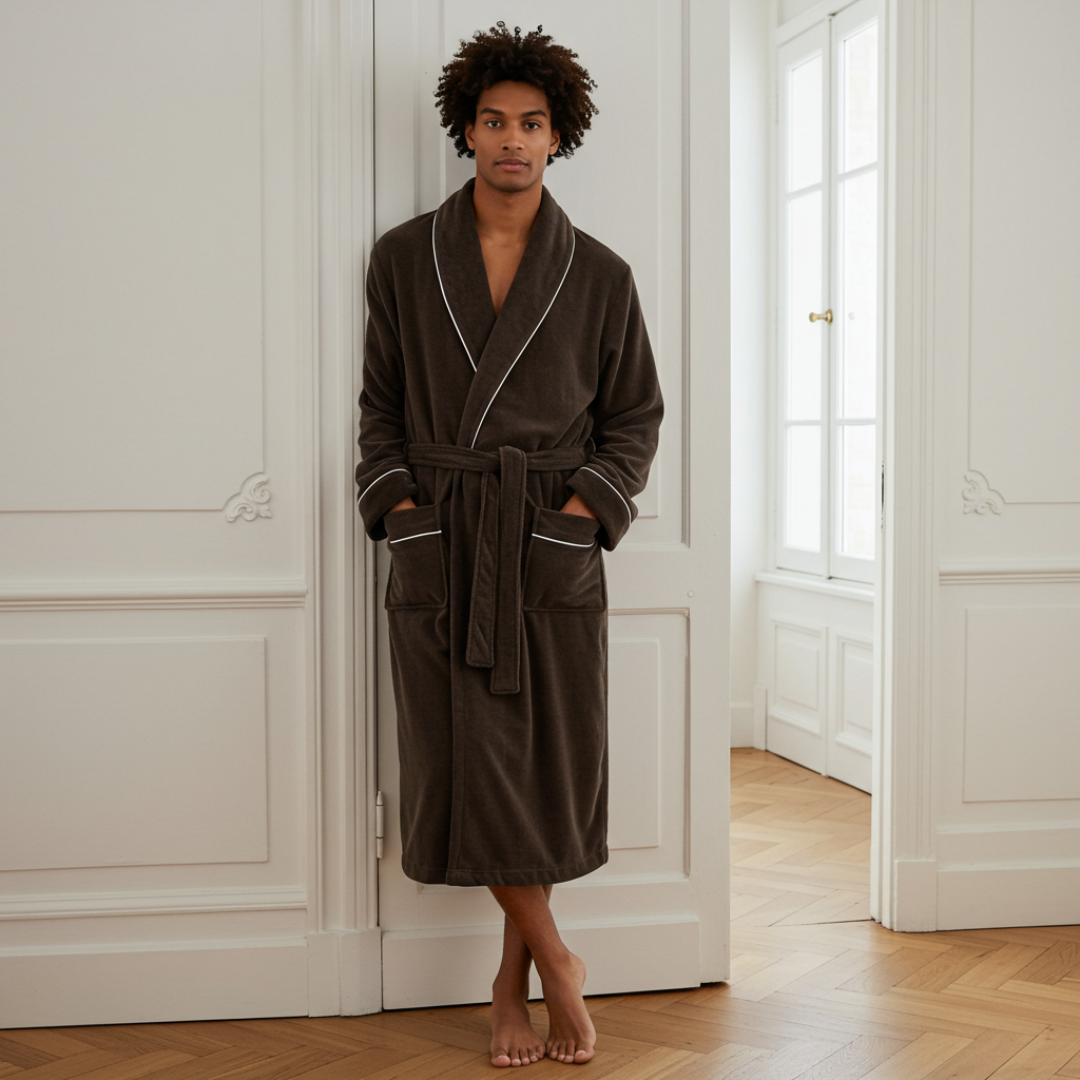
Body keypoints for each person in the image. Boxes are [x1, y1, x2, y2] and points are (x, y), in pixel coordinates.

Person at [356, 23, 662, 1068]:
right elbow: (381, 410)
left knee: (537, 772)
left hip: (545, 546)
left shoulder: (602, 275)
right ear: (468, 130)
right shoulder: (404, 258)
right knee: (466, 765)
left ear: (558, 135)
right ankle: (553, 960)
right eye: (494, 121)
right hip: (444, 541)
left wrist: (577, 519)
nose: (512, 140)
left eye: (532, 123)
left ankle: (509, 982)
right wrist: (406, 515)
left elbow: (635, 418)